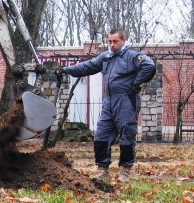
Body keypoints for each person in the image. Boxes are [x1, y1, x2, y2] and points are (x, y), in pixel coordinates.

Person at [61, 28, 156, 183]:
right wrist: (65, 70)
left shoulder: (131, 56)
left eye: (115, 41)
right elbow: (87, 66)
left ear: (123, 40)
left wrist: (135, 83)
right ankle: (102, 171)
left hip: (126, 100)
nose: (112, 45)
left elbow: (149, 66)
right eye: (110, 41)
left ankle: (125, 171)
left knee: (127, 136)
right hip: (109, 102)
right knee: (101, 136)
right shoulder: (106, 57)